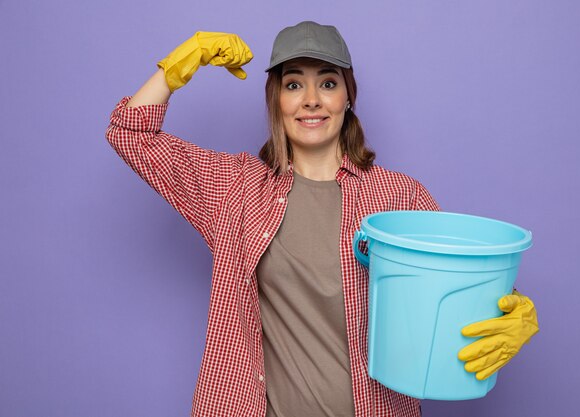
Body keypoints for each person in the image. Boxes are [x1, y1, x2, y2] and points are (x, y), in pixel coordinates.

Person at [106, 21, 539, 417]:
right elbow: (128, 133)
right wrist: (183, 62)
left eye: (327, 83)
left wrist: (512, 309)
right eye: (293, 84)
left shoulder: (398, 197)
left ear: (347, 96)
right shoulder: (234, 189)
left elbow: (460, 289)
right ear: (276, 99)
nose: (311, 100)